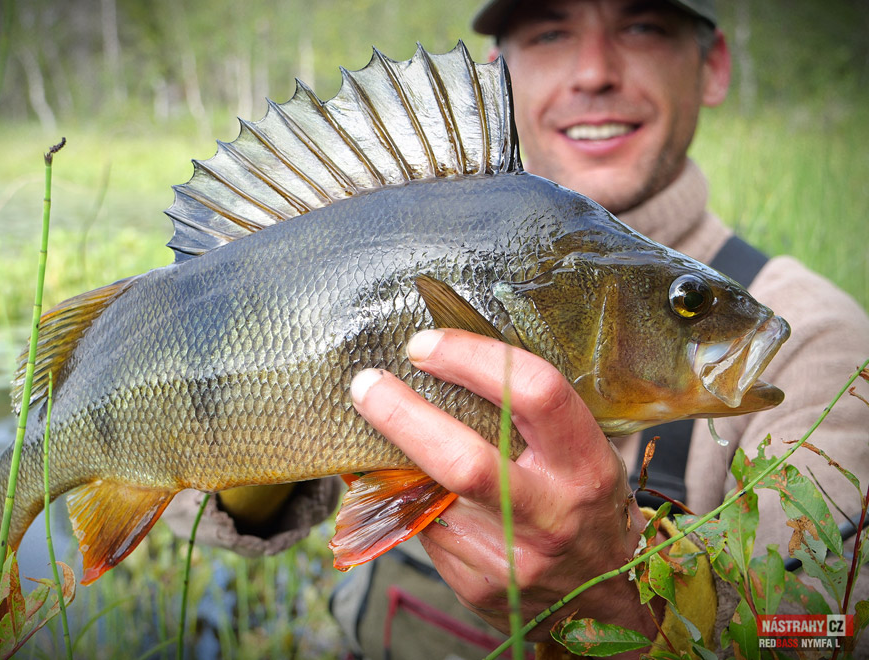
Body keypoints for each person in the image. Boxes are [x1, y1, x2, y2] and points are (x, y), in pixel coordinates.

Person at [167, 1, 869, 657]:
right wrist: (270, 415)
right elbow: (206, 508)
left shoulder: (826, 348)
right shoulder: (386, 211)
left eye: (643, 25)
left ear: (712, 66)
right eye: (550, 30)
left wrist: (627, 606)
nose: (593, 72)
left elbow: (830, 632)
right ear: (499, 64)